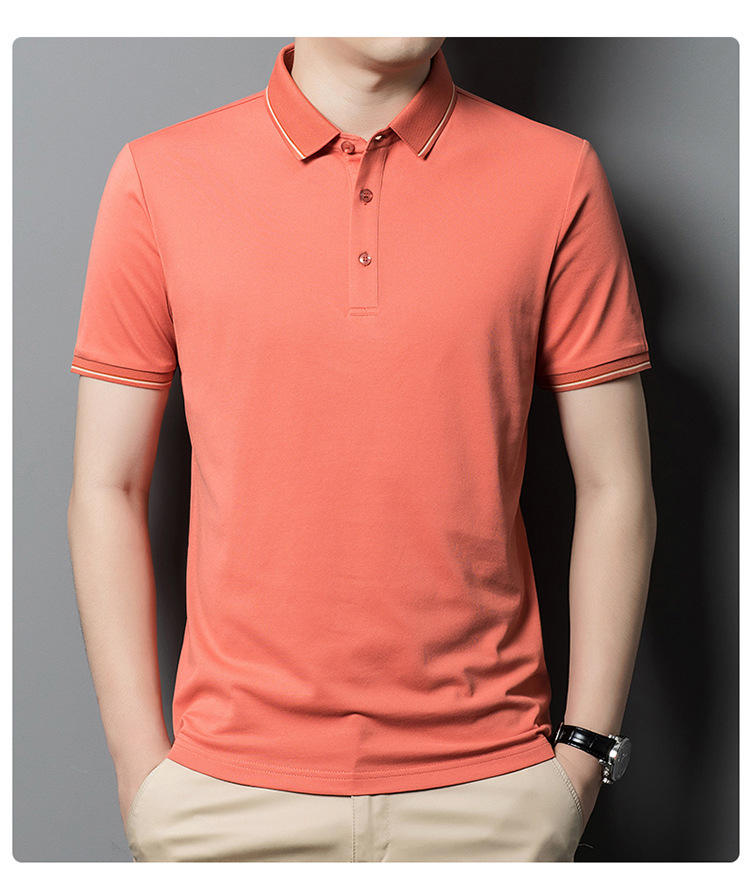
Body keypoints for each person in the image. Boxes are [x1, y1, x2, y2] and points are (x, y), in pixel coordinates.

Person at [67, 37, 656, 862]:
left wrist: (583, 756)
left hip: (493, 793)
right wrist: (143, 773)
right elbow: (108, 485)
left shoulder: (557, 176)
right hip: (226, 797)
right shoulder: (160, 175)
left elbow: (616, 484)